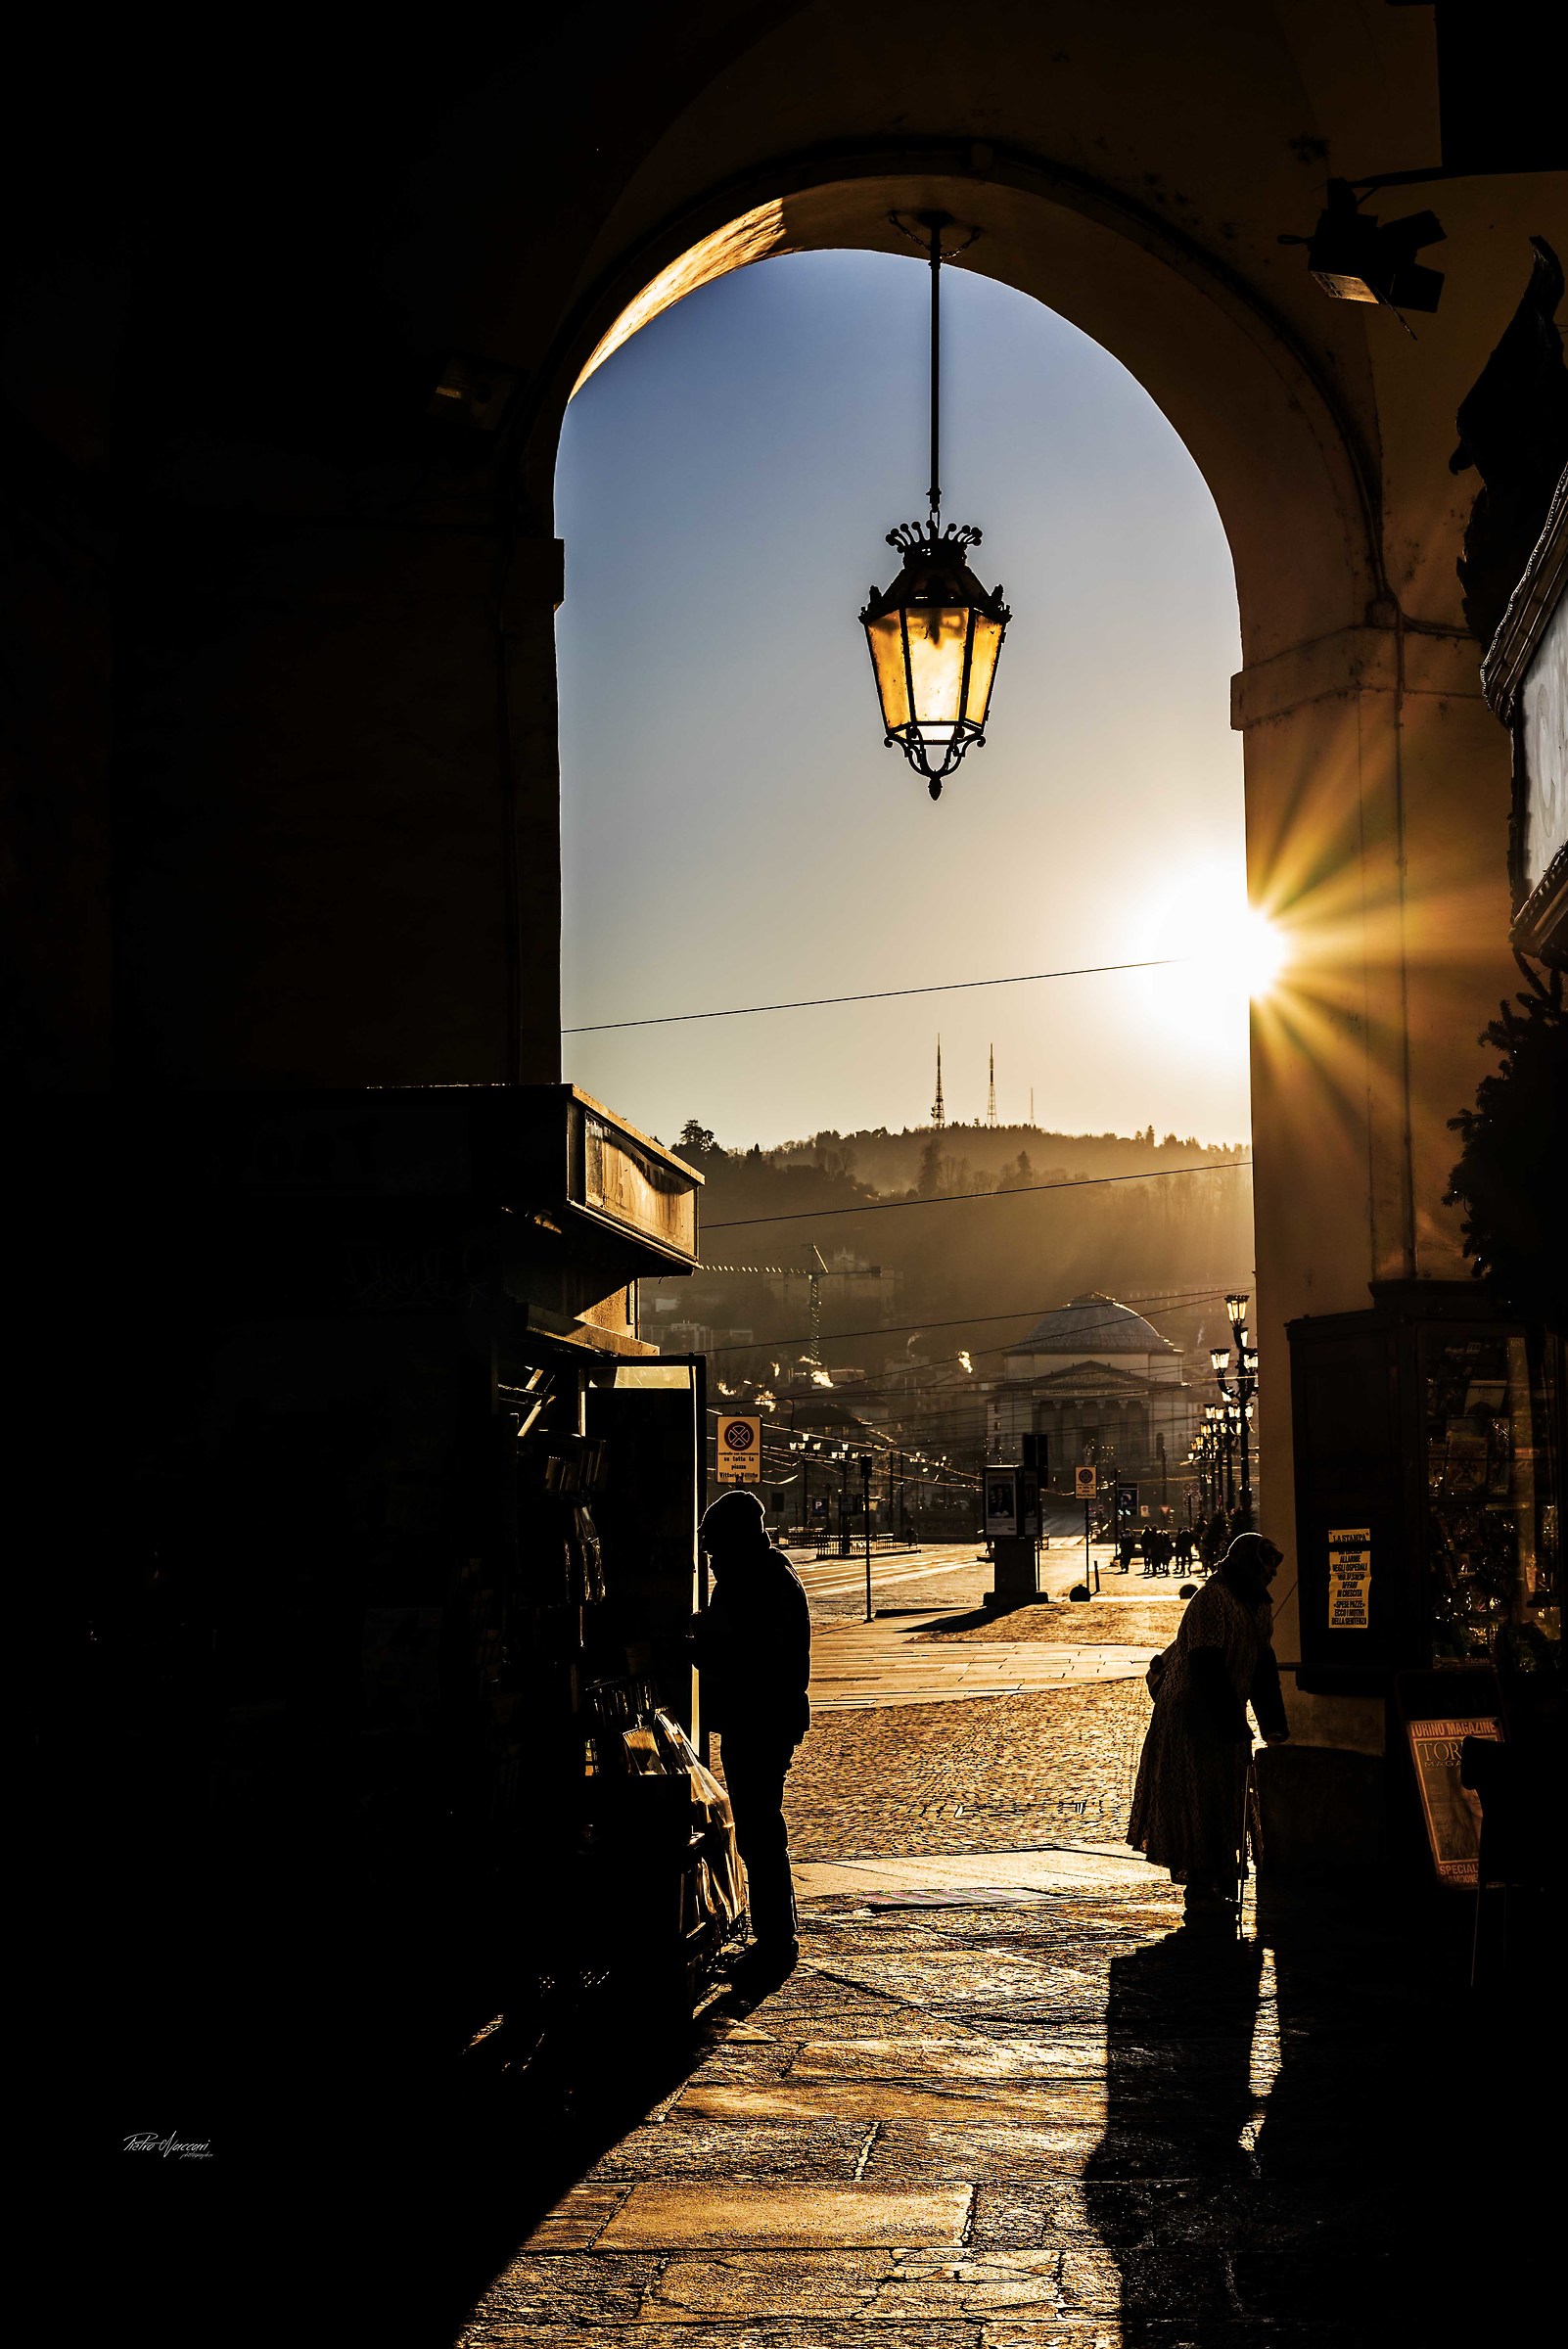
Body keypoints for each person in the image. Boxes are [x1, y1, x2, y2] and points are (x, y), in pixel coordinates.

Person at [1128, 1532, 1290, 1928]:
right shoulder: (1212, 1600)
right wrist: (1235, 1724)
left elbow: (1262, 1666)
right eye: (1264, 1566)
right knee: (1198, 1799)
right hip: (1191, 1715)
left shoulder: (1258, 1605)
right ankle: (1201, 1888)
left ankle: (1218, 1877)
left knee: (1225, 1797)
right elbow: (1207, 1668)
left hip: (1223, 1712)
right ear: (1245, 1566)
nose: (1270, 1575)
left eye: (1273, 1568)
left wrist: (1273, 1724)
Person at [690, 1489, 811, 1980]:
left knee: (760, 1828)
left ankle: (775, 1937)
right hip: (765, 1716)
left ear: (736, 1540)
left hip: (759, 1717)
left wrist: (699, 1646)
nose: (713, 1559)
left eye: (716, 1548)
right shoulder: (765, 1574)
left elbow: (749, 1655)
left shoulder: (753, 1581)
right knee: (761, 1826)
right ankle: (776, 1930)